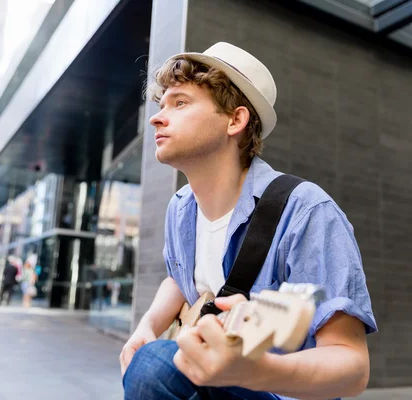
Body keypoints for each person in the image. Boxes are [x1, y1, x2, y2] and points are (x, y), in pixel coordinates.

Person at [120, 42, 378, 400]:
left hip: (281, 392)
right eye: (161, 105)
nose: (156, 117)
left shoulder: (306, 211)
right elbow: (179, 276)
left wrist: (258, 371)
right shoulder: (180, 209)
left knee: (155, 367)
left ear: (235, 120)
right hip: (215, 382)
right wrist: (147, 325)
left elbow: (352, 367)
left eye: (180, 103)